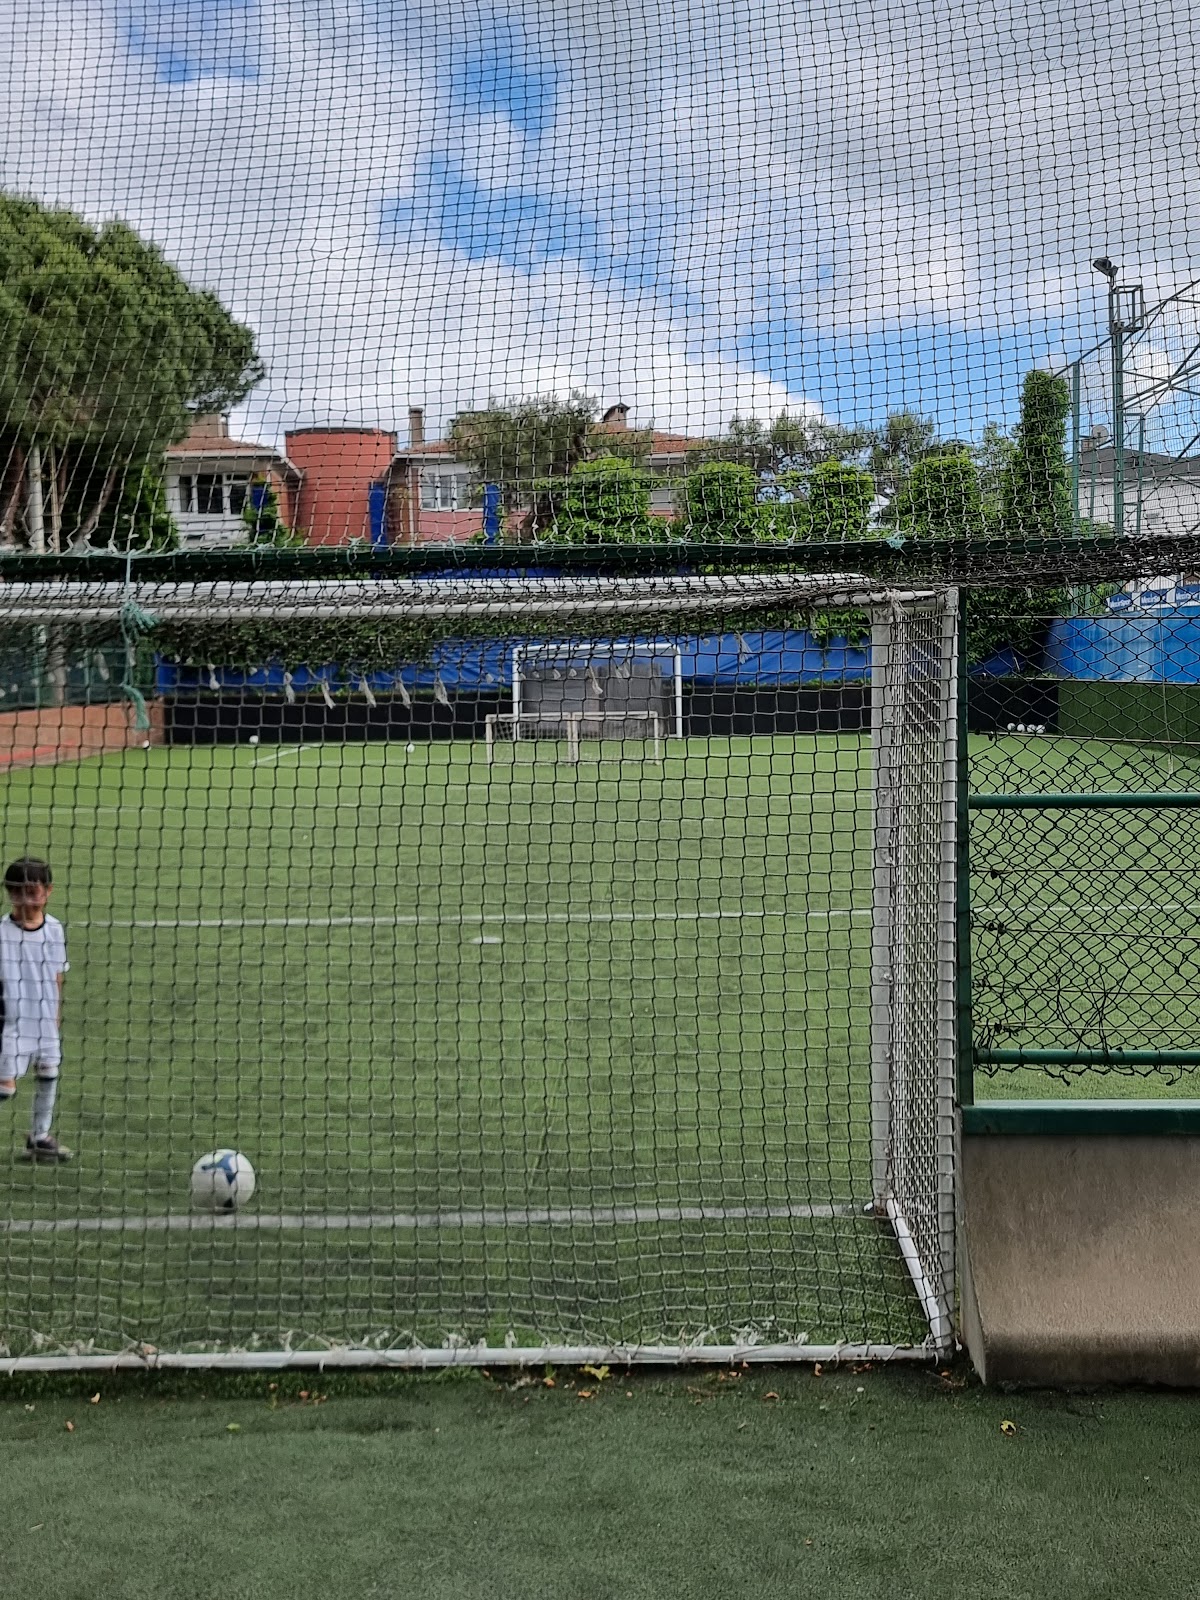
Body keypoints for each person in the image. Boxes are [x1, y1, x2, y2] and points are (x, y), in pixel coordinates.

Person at [0, 858, 71, 1161]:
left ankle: (39, 1137)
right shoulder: (2, 932)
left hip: (44, 1021)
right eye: (16, 892)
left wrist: (56, 1015)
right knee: (5, 1088)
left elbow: (57, 974)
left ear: (48, 891)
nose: (24, 899)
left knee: (48, 1072)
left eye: (32, 891)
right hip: (11, 1022)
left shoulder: (53, 929)